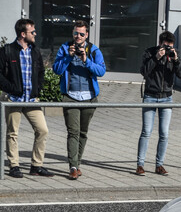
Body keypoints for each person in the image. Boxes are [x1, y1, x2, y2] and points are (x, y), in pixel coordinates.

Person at [53, 20, 106, 180]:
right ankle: (73, 167)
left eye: (82, 34)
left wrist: (85, 60)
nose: (78, 36)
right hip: (71, 97)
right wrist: (68, 57)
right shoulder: (65, 48)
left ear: (87, 35)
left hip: (89, 98)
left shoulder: (94, 50)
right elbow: (57, 70)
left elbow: (101, 71)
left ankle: (78, 163)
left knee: (83, 133)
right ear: (73, 33)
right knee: (73, 132)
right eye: (76, 33)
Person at [0, 18, 53, 178]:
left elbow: (41, 73)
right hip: (13, 99)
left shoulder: (35, 51)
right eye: (32, 32)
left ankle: (36, 166)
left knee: (43, 130)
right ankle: (14, 165)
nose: (35, 34)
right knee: (12, 133)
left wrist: (37, 89)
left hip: (31, 100)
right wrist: (12, 89)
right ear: (23, 34)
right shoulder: (7, 51)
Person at [136, 30, 181, 176]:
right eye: (165, 46)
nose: (168, 49)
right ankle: (140, 164)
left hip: (167, 97)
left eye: (170, 46)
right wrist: (157, 57)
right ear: (160, 43)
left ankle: (159, 165)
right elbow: (144, 71)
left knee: (164, 133)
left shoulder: (173, 55)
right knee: (146, 131)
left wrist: (176, 60)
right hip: (150, 96)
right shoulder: (150, 53)